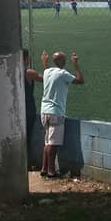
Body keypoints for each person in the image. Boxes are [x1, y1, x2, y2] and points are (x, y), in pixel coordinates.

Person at [39, 49, 85, 178]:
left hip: (44, 112)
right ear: (63, 61)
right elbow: (80, 80)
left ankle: (44, 169)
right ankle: (51, 171)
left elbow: (48, 69)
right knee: (52, 145)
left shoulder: (47, 71)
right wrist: (75, 64)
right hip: (56, 113)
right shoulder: (63, 74)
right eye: (64, 59)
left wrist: (44, 62)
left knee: (47, 142)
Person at [23, 48, 44, 170]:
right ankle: (25, 163)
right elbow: (46, 78)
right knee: (26, 137)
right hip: (28, 109)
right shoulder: (28, 73)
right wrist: (45, 64)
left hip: (15, 110)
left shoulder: (11, 72)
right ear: (26, 59)